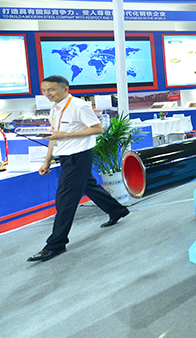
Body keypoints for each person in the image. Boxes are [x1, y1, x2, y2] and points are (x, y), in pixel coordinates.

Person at [28, 76, 130, 262]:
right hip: (65, 157)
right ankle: (117, 210)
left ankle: (56, 244)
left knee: (65, 200)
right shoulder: (55, 108)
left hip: (79, 157)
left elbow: (97, 129)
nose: (47, 93)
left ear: (65, 89)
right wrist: (47, 161)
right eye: (44, 90)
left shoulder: (79, 106)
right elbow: (54, 137)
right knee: (89, 186)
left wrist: (66, 135)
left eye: (51, 89)